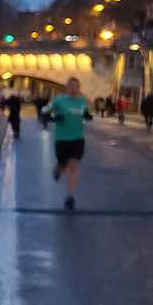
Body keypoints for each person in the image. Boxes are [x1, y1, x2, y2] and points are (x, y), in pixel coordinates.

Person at [42, 76, 92, 211]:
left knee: (74, 166)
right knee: (63, 165)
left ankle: (69, 197)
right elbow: (45, 111)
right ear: (67, 88)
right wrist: (54, 117)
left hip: (77, 139)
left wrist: (88, 115)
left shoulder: (82, 101)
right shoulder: (59, 100)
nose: (75, 89)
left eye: (77, 87)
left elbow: (86, 113)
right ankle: (57, 169)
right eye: (72, 86)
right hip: (62, 139)